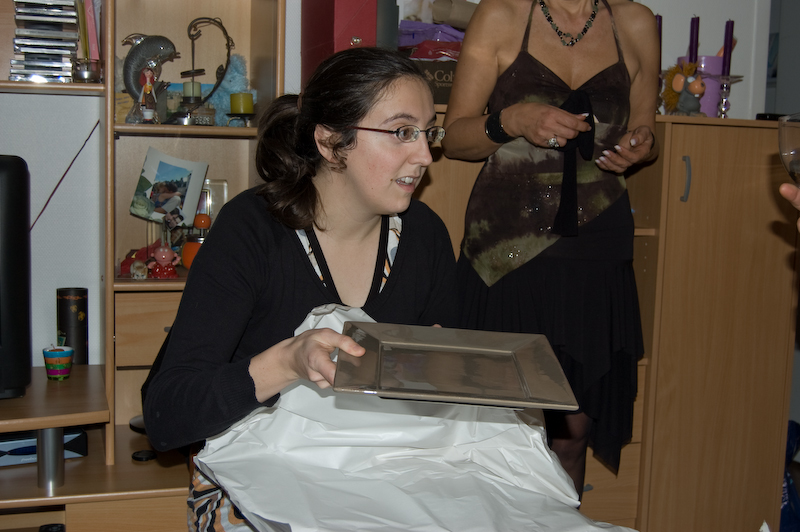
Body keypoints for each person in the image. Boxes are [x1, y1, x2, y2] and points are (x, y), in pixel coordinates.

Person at [142, 47, 457, 530]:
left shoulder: (425, 235)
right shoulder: (251, 231)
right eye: (402, 132)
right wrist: (287, 363)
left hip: (382, 473)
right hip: (259, 478)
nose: (425, 155)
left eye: (427, 132)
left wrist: (441, 371)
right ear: (331, 143)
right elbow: (167, 415)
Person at [441, 0, 660, 499]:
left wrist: (641, 145)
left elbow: (646, 131)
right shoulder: (500, 15)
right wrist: (511, 120)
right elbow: (454, 138)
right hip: (507, 253)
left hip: (597, 251)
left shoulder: (635, 22)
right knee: (498, 433)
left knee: (571, 433)